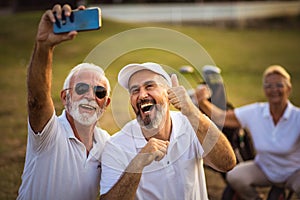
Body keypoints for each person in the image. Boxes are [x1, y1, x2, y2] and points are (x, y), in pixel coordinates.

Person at [99, 62, 236, 199]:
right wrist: (137, 164)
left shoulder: (191, 124)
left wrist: (192, 112)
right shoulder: (116, 146)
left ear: (169, 94)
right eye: (135, 90)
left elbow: (227, 163)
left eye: (149, 86)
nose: (141, 95)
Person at [17, 4, 111, 200]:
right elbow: (37, 100)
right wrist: (44, 46)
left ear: (106, 103)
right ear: (65, 98)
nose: (90, 96)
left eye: (99, 92)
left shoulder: (106, 144)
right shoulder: (49, 133)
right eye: (82, 88)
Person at [195, 65, 300, 200]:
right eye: (268, 85)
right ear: (264, 89)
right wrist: (202, 101)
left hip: (294, 173)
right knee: (234, 176)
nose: (274, 90)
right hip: (264, 169)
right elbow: (221, 117)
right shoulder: (256, 112)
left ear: (289, 88)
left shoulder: (297, 117)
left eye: (279, 85)